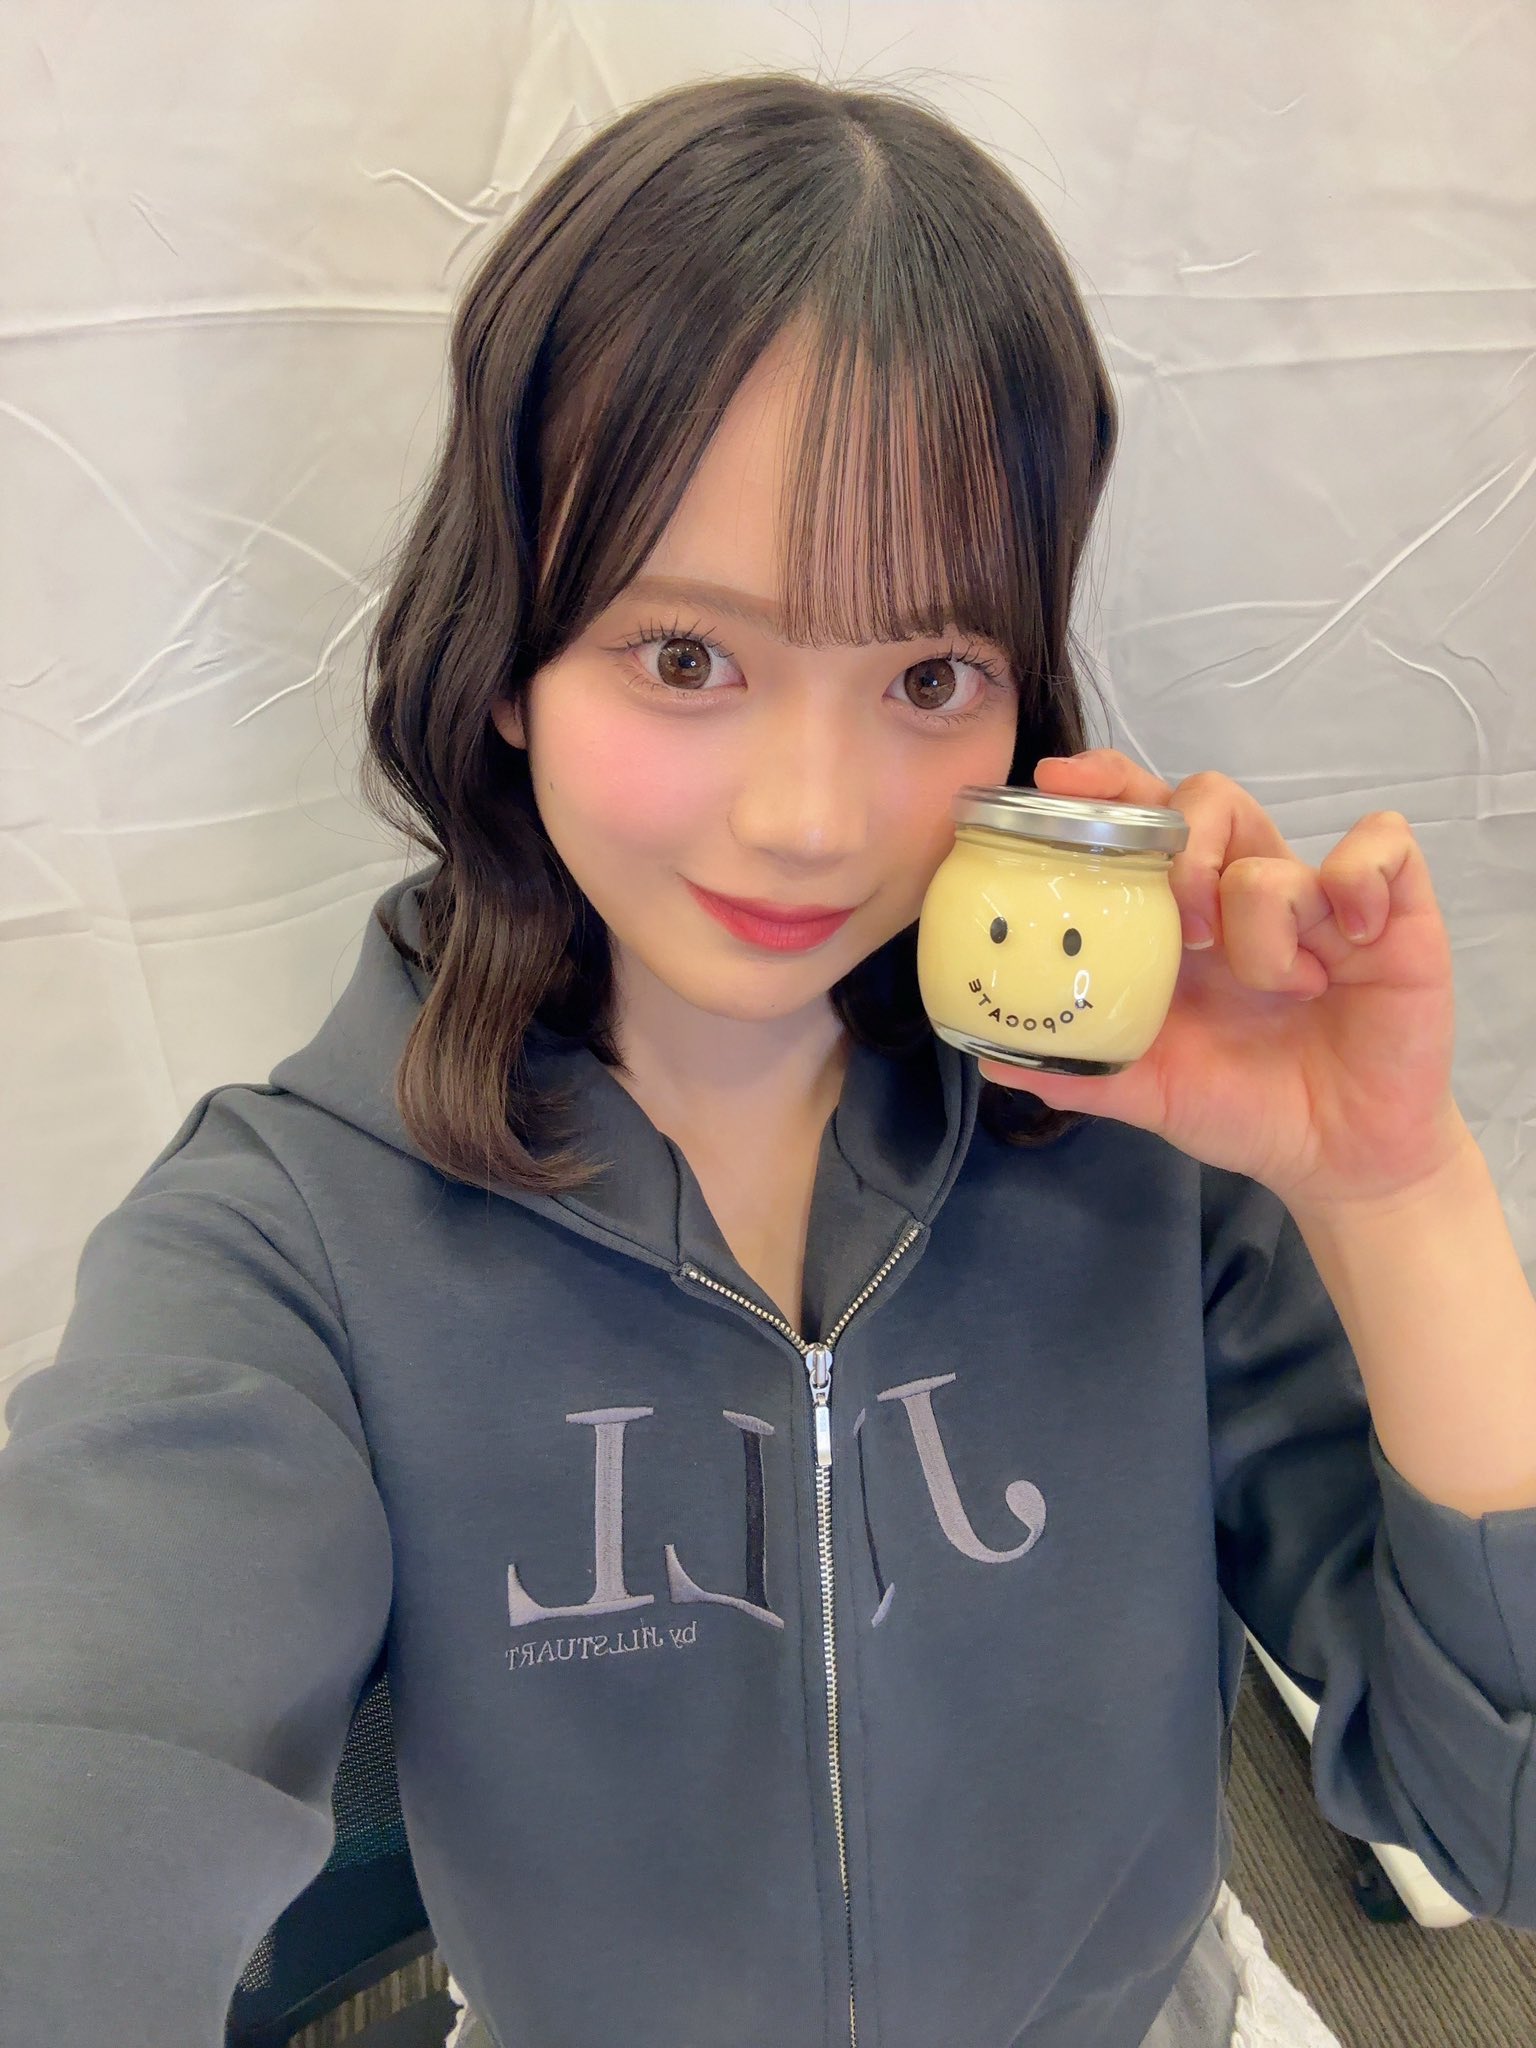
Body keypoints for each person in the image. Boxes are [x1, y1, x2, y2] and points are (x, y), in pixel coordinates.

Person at [4, 70, 1533, 2048]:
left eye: (927, 673)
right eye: (687, 657)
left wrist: (1392, 1188)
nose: (812, 818)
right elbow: (75, 1784)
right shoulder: (289, 1242)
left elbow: (1498, 1828)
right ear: (506, 660)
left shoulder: (1145, 1154)